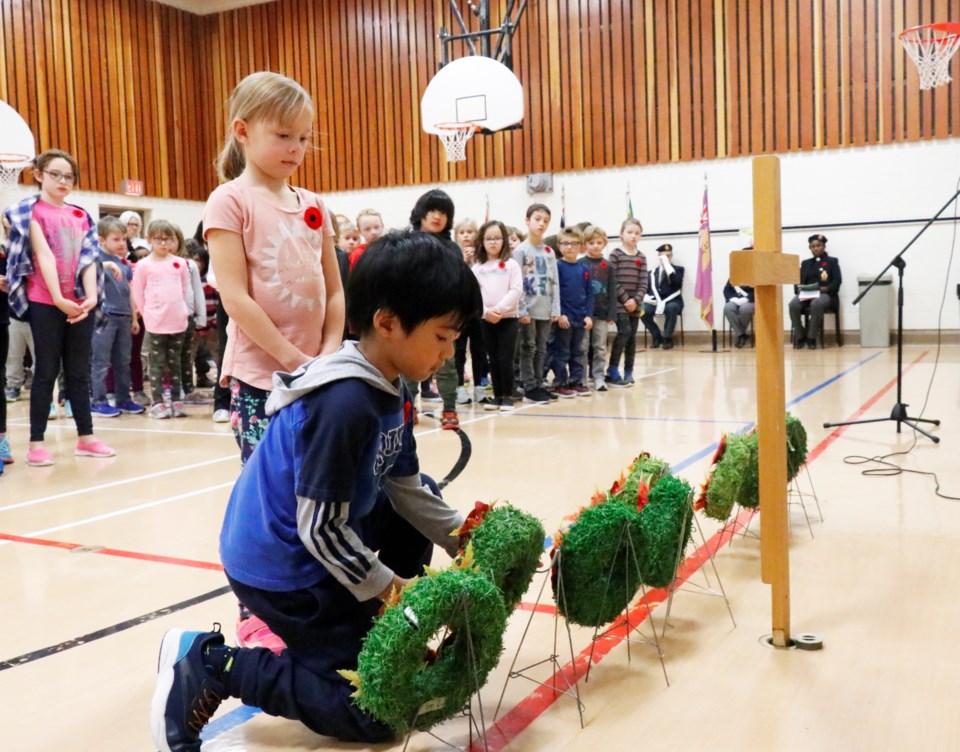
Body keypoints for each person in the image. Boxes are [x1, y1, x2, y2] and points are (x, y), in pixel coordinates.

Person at [150, 232, 479, 750]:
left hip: (320, 541)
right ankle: (216, 663)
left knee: (420, 502)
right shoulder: (344, 403)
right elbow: (319, 529)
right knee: (377, 715)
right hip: (284, 568)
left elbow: (408, 488)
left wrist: (467, 540)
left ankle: (358, 628)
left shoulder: (395, 382)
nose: (450, 352)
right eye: (442, 337)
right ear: (387, 323)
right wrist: (392, 591)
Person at [203, 71, 344, 462]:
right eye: (283, 136)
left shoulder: (314, 203)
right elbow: (235, 298)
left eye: (303, 137)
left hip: (318, 373)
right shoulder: (229, 200)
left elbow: (333, 289)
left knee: (318, 481)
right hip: (261, 379)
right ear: (242, 131)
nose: (296, 148)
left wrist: (328, 354)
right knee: (271, 489)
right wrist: (295, 361)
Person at [3, 149, 116, 466]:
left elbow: (88, 258)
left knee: (78, 373)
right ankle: (36, 443)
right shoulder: (30, 212)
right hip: (45, 302)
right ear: (39, 174)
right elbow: (44, 256)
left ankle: (87, 438)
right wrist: (57, 298)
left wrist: (90, 297)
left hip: (79, 304)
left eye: (68, 176)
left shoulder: (81, 215)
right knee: (46, 371)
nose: (63, 181)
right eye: (55, 174)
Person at [406, 189, 462, 428]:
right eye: (432, 210)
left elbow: (462, 285)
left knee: (446, 364)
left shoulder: (453, 249)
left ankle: (449, 409)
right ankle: (407, 408)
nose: (437, 216)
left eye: (443, 212)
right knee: (409, 365)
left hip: (445, 318)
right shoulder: (406, 244)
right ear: (421, 213)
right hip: (413, 317)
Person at [132, 220, 190, 419]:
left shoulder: (180, 263)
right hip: (156, 321)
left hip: (177, 320)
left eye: (168, 239)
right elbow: (138, 292)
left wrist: (183, 310)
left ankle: (176, 400)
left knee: (176, 362)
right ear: (150, 240)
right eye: (158, 239)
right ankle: (157, 402)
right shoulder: (144, 265)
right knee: (156, 362)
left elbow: (183, 289)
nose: (163, 244)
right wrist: (145, 313)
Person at [90, 216, 144, 417]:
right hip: (104, 317)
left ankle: (123, 399)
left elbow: (128, 291)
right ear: (102, 240)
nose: (121, 243)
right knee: (101, 361)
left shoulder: (124, 263)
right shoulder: (95, 260)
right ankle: (98, 400)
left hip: (124, 317)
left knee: (123, 361)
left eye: (123, 239)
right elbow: (85, 275)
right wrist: (104, 266)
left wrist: (134, 317)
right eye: (116, 239)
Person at [472, 219, 521, 411]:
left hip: (507, 318)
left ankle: (508, 395)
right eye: (489, 238)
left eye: (497, 238)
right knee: (492, 358)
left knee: (505, 357)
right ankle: (497, 395)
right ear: (482, 242)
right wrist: (486, 312)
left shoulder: (511, 265)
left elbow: (516, 290)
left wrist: (499, 310)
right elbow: (474, 294)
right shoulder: (477, 268)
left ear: (504, 241)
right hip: (486, 319)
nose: (493, 242)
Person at [514, 203, 559, 404]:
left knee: (542, 348)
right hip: (528, 309)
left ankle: (539, 383)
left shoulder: (549, 251)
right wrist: (521, 308)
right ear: (527, 220)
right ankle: (529, 386)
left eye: (546, 221)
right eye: (537, 219)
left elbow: (554, 281)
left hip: (545, 307)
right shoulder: (521, 250)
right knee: (528, 347)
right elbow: (516, 282)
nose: (541, 224)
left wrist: (555, 308)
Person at [548, 227, 593, 397]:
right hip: (564, 319)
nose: (569, 247)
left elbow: (589, 294)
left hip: (580, 318)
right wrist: (560, 313)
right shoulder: (558, 267)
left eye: (574, 244)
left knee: (578, 351)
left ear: (581, 246)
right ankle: (560, 382)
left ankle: (576, 381)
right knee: (562, 352)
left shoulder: (584, 268)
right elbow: (555, 292)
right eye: (565, 243)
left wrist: (588, 315)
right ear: (559, 246)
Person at [607, 218, 647, 386]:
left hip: (635, 305)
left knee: (631, 338)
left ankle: (629, 371)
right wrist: (625, 299)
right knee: (624, 332)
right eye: (629, 232)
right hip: (619, 303)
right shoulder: (615, 254)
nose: (633, 236)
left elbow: (644, 282)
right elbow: (613, 280)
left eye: (637, 233)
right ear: (621, 234)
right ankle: (613, 369)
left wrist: (636, 300)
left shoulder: (642, 257)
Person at [789, 233, 842, 349]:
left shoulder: (832, 261)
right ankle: (800, 336)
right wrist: (799, 288)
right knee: (793, 304)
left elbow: (837, 280)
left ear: (824, 247)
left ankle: (811, 337)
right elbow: (798, 280)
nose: (815, 248)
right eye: (813, 246)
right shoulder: (806, 263)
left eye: (818, 246)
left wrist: (826, 288)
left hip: (824, 294)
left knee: (816, 303)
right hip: (807, 293)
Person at [580, 224, 612, 391]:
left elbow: (612, 290)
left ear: (604, 243)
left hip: (601, 314)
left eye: (599, 242)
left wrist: (611, 313)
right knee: (583, 346)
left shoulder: (608, 266)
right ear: (585, 244)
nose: (595, 246)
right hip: (584, 314)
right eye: (591, 242)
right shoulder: (580, 264)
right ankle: (582, 377)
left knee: (600, 347)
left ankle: (599, 376)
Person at [177, 236, 208, 404]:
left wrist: (201, 317)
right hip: (165, 318)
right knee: (168, 357)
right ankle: (174, 390)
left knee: (186, 354)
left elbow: (197, 290)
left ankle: (188, 389)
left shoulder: (189, 265)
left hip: (187, 316)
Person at [641, 243, 685, 350]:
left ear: (671, 256)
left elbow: (677, 283)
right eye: (663, 256)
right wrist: (645, 297)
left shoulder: (678, 270)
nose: (666, 258)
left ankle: (667, 338)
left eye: (668, 255)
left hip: (672, 301)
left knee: (672, 308)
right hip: (655, 302)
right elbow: (645, 288)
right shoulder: (651, 273)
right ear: (659, 256)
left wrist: (668, 268)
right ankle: (656, 337)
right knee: (642, 311)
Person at [723, 278, 755, 348]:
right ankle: (742, 335)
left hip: (749, 300)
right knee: (728, 308)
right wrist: (732, 298)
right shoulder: (735, 274)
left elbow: (758, 291)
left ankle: (740, 334)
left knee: (745, 309)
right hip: (735, 299)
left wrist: (747, 298)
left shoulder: (754, 274)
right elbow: (726, 290)